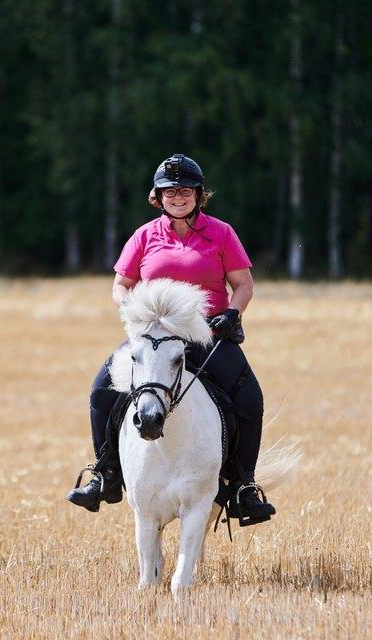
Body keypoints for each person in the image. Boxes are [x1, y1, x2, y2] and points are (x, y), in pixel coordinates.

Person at [66, 153, 276, 526]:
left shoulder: (222, 233)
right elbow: (121, 284)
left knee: (249, 397)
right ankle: (105, 473)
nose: (177, 197)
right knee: (101, 390)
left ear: (198, 194)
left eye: (184, 190)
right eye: (168, 191)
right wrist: (133, 311)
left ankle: (244, 486)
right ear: (158, 196)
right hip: (154, 337)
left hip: (205, 336)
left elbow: (243, 284)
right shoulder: (144, 236)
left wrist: (231, 313)